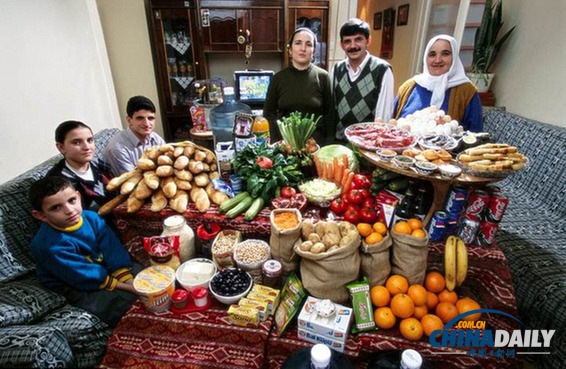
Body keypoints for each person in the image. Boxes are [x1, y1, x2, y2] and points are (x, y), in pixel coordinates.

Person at [29, 176, 140, 326]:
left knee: (148, 277)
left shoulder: (92, 218)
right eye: (56, 208)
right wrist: (129, 288)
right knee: (122, 305)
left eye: (72, 201)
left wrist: (129, 279)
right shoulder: (48, 245)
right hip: (75, 282)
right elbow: (81, 275)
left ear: (78, 196)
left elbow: (112, 249)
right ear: (40, 215)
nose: (69, 210)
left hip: (102, 266)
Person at [394, 34, 483, 132]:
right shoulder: (408, 87)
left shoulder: (467, 92)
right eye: (432, 54)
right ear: (425, 58)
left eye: (445, 54)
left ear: (454, 58)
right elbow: (391, 125)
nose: (438, 60)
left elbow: (476, 135)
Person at [263, 27, 333, 145]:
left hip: (316, 147)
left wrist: (328, 145)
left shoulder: (323, 77)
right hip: (286, 147)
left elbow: (329, 115)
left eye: (308, 44)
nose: (303, 48)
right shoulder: (278, 79)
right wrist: (276, 143)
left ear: (314, 51)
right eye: (298, 43)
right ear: (290, 50)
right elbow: (269, 114)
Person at [331, 18, 394, 141]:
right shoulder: (336, 69)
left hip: (366, 146)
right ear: (342, 45)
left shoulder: (382, 70)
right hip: (339, 143)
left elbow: (383, 116)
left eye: (358, 39)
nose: (353, 46)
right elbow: (332, 109)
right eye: (347, 41)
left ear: (368, 40)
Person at [46, 120, 115, 211]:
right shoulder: (59, 182)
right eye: (76, 142)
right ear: (61, 148)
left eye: (90, 140)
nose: (87, 147)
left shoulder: (99, 164)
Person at [102, 96, 165, 176]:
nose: (146, 124)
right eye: (140, 118)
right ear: (129, 120)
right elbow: (132, 180)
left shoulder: (155, 138)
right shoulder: (117, 148)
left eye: (150, 118)